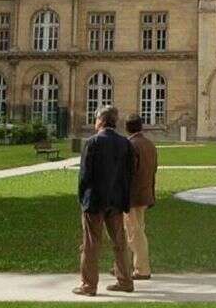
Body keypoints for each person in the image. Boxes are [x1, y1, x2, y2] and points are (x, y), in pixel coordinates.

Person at [73, 105, 134, 296]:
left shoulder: (93, 142)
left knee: (91, 244)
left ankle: (89, 285)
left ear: (100, 120)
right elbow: (129, 174)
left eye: (96, 119)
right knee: (120, 242)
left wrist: (83, 199)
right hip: (116, 200)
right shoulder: (125, 143)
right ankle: (125, 281)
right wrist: (124, 198)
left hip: (95, 200)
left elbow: (84, 176)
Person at [124, 113, 158, 280]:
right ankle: (124, 265)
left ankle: (142, 269)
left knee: (134, 233)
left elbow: (128, 173)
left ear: (127, 128)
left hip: (132, 196)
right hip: (145, 194)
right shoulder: (149, 144)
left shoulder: (131, 145)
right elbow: (153, 170)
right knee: (134, 230)